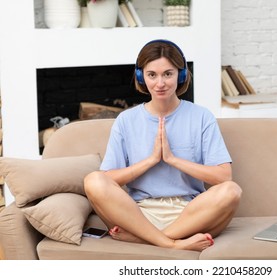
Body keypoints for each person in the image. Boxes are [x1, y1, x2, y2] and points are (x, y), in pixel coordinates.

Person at [84, 39, 242, 252]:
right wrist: (150, 161)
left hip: (190, 214)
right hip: (138, 214)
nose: (160, 83)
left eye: (168, 74)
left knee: (232, 191)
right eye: (152, 75)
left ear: (181, 75)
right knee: (93, 180)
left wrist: (172, 160)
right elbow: (107, 180)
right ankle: (171, 243)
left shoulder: (201, 116)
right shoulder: (126, 120)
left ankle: (147, 240)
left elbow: (224, 177)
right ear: (142, 77)